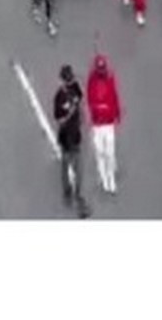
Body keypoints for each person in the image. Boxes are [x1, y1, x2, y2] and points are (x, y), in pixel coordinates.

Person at [53, 65, 90, 217]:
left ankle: (78, 195)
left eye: (70, 78)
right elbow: (59, 119)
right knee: (66, 167)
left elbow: (80, 97)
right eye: (67, 79)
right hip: (65, 139)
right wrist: (70, 112)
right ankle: (67, 192)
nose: (69, 81)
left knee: (79, 170)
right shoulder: (59, 97)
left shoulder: (75, 87)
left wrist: (79, 114)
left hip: (76, 136)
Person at [86, 54, 122, 194]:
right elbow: (90, 99)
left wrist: (117, 113)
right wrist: (96, 110)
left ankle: (111, 178)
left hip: (108, 123)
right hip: (97, 124)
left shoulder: (110, 78)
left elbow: (114, 96)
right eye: (100, 69)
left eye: (103, 68)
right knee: (100, 152)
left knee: (110, 152)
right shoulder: (92, 80)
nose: (102, 71)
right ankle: (103, 177)